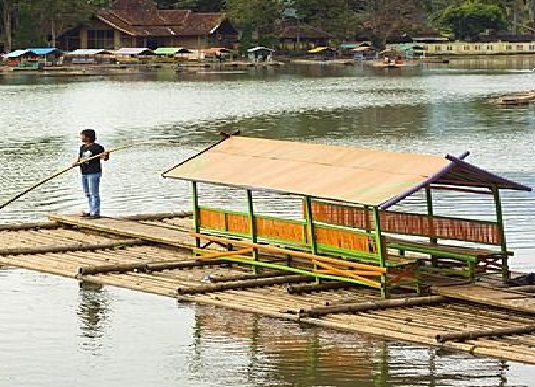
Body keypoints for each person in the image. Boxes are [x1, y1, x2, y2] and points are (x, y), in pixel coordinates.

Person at [75, 129, 109, 218]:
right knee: (88, 193)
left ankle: (96, 212)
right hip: (84, 173)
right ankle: (91, 210)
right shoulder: (82, 147)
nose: (80, 137)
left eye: (82, 136)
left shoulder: (97, 147)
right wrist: (76, 163)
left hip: (94, 172)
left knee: (94, 193)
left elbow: (104, 158)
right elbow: (80, 158)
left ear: (88, 137)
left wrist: (106, 155)